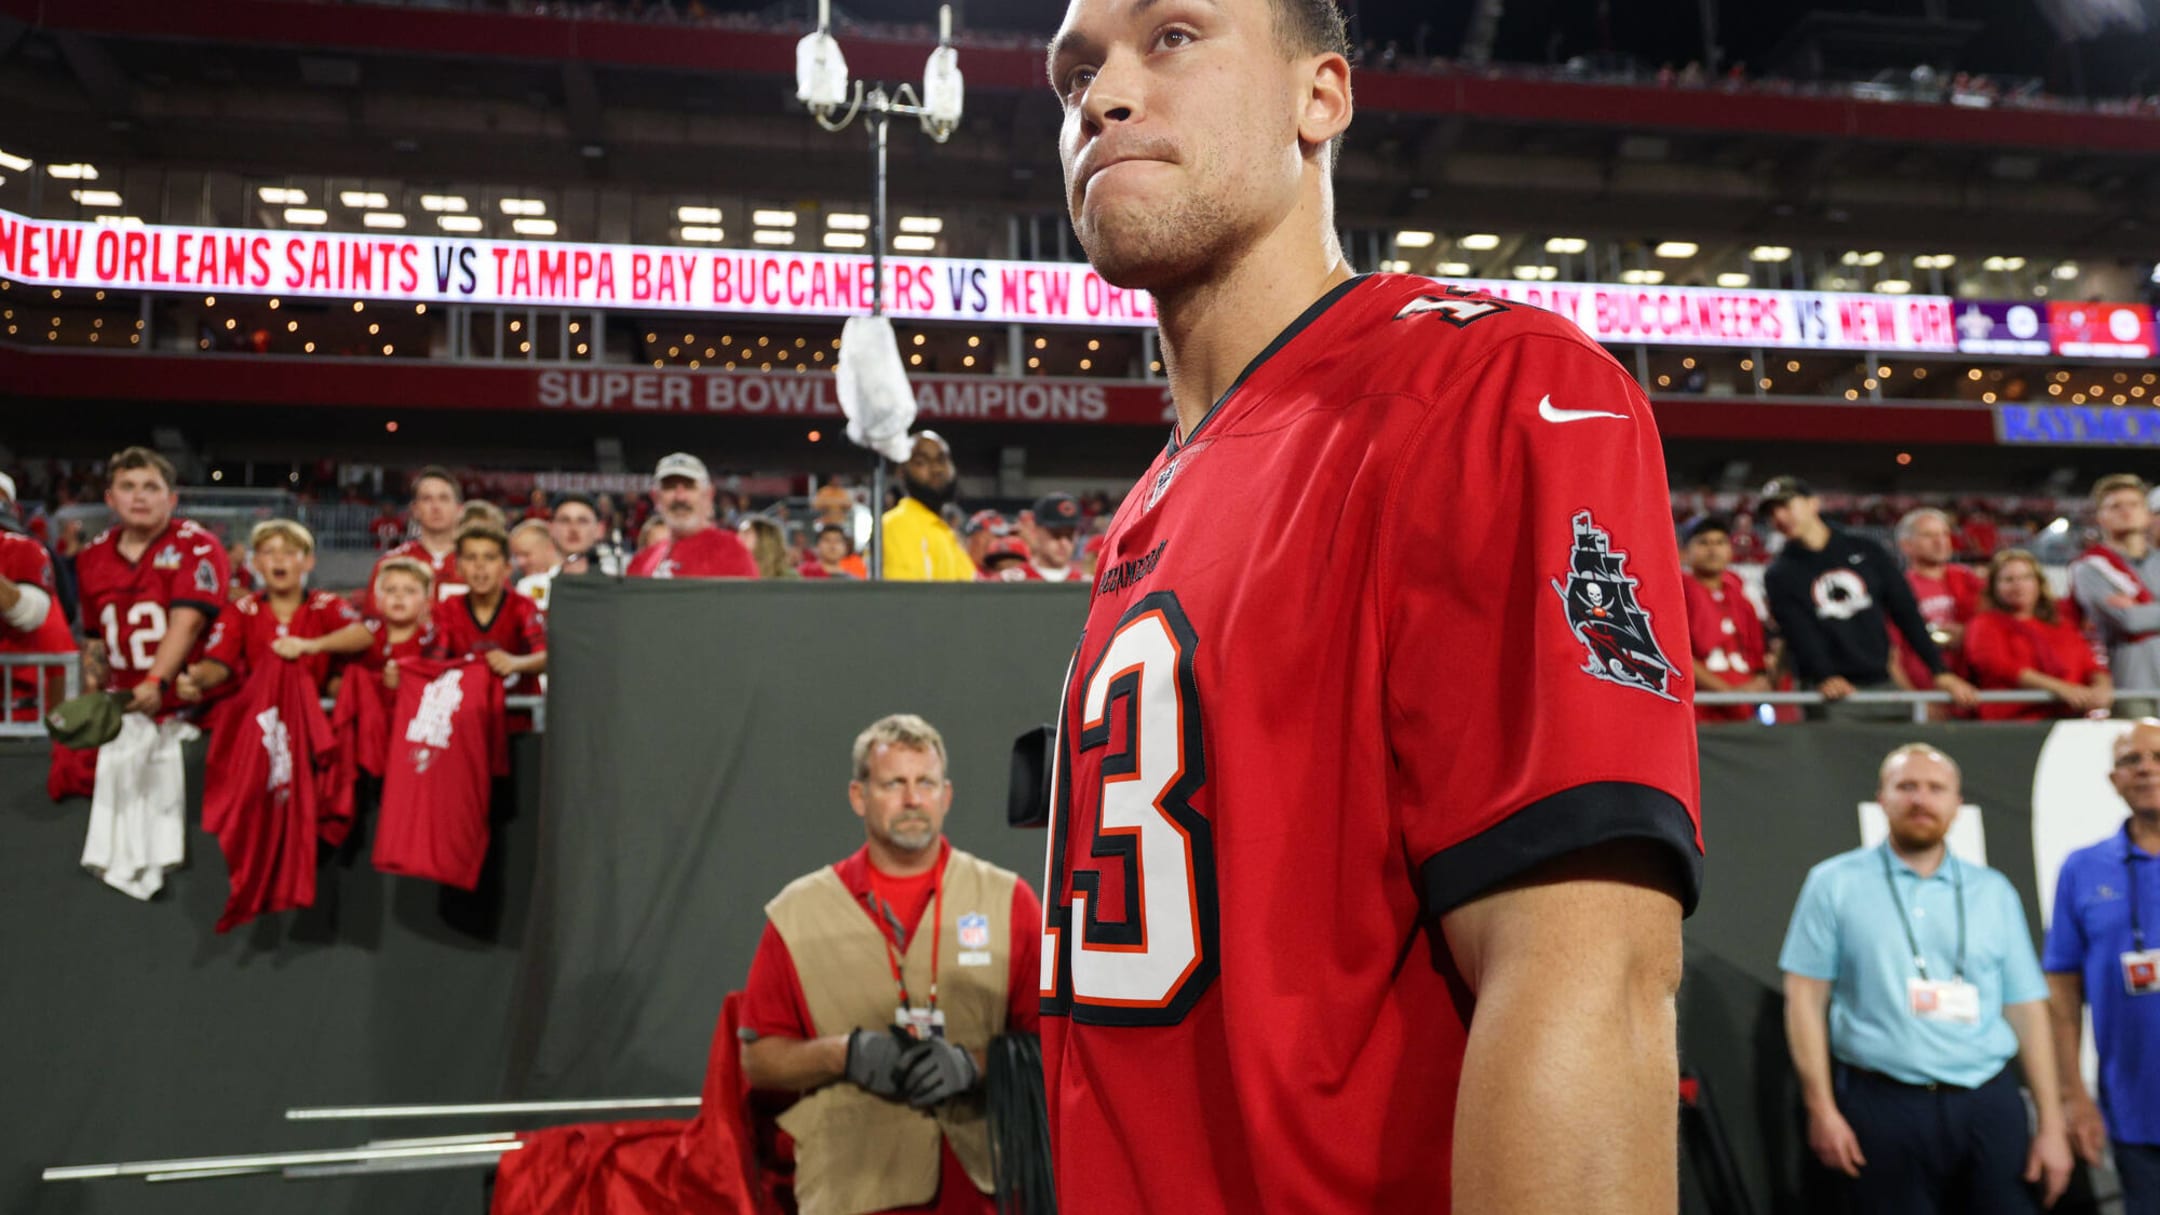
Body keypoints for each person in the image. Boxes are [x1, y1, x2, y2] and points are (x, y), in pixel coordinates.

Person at [1039, 0, 1702, 1207]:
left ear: (1322, 98)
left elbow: (1588, 980)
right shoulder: (1153, 498)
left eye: (1172, 37)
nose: (1105, 94)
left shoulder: (1493, 387)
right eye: (1074, 71)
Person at [739, 714, 1042, 1215]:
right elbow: (759, 1061)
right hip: (850, 1188)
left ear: (947, 796)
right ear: (859, 796)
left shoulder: (1010, 900)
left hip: (981, 1189)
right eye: (893, 783)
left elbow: (1047, 1045)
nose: (912, 799)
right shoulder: (797, 913)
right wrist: (846, 1054)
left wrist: (971, 1065)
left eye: (925, 782)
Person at [1780, 743, 2073, 1214]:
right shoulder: (1833, 883)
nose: (1921, 799)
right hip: (1882, 1105)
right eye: (1907, 786)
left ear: (1958, 804)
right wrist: (1821, 1109)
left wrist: (2053, 1126)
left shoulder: (1993, 891)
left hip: (1988, 1102)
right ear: (1882, 798)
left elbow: (2027, 1010)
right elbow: (1804, 998)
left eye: (1936, 788)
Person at [2045, 720, 2160, 1215]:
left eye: (2156, 756)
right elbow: (2063, 994)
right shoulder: (2083, 869)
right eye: (2130, 760)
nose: (2146, 769)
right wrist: (2074, 1097)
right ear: (2114, 780)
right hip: (2134, 1109)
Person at [1761, 476, 1979, 720]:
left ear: (1813, 504)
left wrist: (1939, 670)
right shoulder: (1780, 573)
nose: (1779, 517)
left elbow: (1906, 612)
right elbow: (1799, 631)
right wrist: (1824, 676)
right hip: (1831, 692)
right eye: (1772, 512)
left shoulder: (1866, 550)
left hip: (1881, 680)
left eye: (1786, 506)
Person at [74, 447, 232, 716]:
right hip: (122, 705)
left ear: (171, 499)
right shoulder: (92, 555)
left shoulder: (197, 545)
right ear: (110, 499)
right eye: (128, 486)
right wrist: (92, 694)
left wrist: (155, 682)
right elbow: (95, 638)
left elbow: (188, 623)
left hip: (189, 707)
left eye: (151, 487)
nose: (139, 496)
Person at [176, 520, 370, 701]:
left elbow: (364, 635)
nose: (278, 559)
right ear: (256, 563)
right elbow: (218, 663)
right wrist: (197, 678)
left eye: (289, 552)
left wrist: (311, 645)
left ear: (308, 562)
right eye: (268, 552)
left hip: (315, 711)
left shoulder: (327, 604)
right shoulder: (241, 610)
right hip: (259, 712)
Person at [1962, 549, 2112, 722]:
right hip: (2013, 722)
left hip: (2067, 718)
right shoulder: (1984, 624)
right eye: (2008, 580)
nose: (2018, 585)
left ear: (2039, 583)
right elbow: (1999, 665)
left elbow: (2091, 665)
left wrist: (2102, 687)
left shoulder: (2061, 624)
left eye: (2026, 577)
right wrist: (2060, 689)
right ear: (1994, 587)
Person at [2072, 475, 2160, 720]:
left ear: (2146, 512)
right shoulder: (2089, 568)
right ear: (2101, 517)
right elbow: (2129, 621)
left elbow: (2137, 617)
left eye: (2134, 504)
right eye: (2115, 506)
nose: (2126, 512)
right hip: (2129, 682)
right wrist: (2138, 613)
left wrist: (2143, 610)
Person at [432, 522, 546, 691]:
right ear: (458, 567)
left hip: (517, 713)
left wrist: (515, 663)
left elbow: (545, 658)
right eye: (471, 557)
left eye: (490, 557)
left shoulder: (523, 607)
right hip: (464, 712)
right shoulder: (446, 609)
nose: (480, 566)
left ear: (507, 567)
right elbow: (432, 663)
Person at [1680, 514, 1771, 723]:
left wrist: (1759, 683)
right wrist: (1730, 693)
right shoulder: (1679, 592)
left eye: (1720, 542)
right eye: (1704, 542)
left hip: (1743, 711)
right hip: (1700, 712)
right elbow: (1678, 656)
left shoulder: (1741, 595)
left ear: (1730, 549)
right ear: (1685, 552)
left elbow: (1757, 654)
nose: (1713, 550)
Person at [1894, 507, 1983, 700]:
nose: (1941, 541)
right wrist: (1915, 702)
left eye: (1944, 534)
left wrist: (1970, 633)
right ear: (1906, 545)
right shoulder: (1898, 589)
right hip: (1925, 694)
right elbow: (1892, 657)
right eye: (1929, 535)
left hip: (1975, 691)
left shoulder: (1971, 580)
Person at [624, 453, 758, 580]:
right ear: (655, 498)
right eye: (670, 487)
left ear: (708, 495)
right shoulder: (641, 562)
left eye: (689, 486)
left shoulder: (732, 554)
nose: (680, 497)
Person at [360, 466, 467, 614]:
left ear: (459, 509)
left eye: (444, 498)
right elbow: (373, 623)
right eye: (427, 499)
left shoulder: (480, 562)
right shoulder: (391, 563)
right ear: (415, 510)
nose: (436, 507)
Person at [880, 433, 974, 582]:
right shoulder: (895, 525)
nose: (936, 469)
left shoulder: (947, 533)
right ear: (901, 472)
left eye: (942, 460)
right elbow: (903, 600)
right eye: (921, 462)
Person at [354, 556, 441, 690]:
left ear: (427, 602)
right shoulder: (363, 639)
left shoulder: (433, 641)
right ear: (377, 600)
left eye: (409, 591)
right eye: (390, 590)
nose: (399, 596)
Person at [547, 491, 627, 580]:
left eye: (582, 521)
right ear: (551, 528)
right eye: (565, 520)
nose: (573, 529)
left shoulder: (615, 582)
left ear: (600, 529)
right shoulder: (536, 586)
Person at [1018, 493, 1083, 583]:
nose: (1063, 543)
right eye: (1055, 534)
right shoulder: (1011, 581)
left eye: (1069, 536)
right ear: (1035, 531)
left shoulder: (1088, 584)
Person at [800, 521, 868, 580]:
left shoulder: (854, 583)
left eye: (837, 541)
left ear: (846, 547)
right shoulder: (803, 575)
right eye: (827, 540)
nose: (832, 545)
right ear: (818, 546)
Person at [738, 516, 800, 580]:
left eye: (747, 534)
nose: (739, 538)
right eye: (740, 534)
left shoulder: (789, 577)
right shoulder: (737, 571)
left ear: (763, 539)